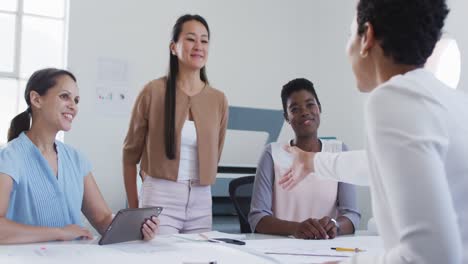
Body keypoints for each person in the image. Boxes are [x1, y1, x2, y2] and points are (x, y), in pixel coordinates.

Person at [280, 0, 468, 263]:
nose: (348, 49)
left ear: (366, 37)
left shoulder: (392, 97)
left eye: (350, 35)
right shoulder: (455, 101)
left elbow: (430, 255)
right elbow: (383, 164)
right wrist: (311, 161)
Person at [0, 68, 159, 244]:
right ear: (36, 99)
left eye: (76, 100)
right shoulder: (9, 158)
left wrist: (138, 229)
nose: (73, 106)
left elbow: (103, 219)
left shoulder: (76, 159)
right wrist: (59, 232)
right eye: (64, 96)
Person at [123, 14, 228, 234]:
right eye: (191, 39)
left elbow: (215, 154)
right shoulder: (153, 91)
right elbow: (129, 157)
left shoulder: (218, 99)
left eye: (204, 40)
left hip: (201, 198)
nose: (199, 46)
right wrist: (134, 212)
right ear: (173, 47)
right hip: (160, 196)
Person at [248, 78, 360, 239]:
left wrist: (334, 225)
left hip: (328, 248)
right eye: (294, 109)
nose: (304, 112)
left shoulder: (339, 151)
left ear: (319, 108)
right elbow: (258, 218)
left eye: (310, 104)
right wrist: (297, 228)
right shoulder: (272, 154)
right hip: (283, 249)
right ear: (286, 117)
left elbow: (352, 215)